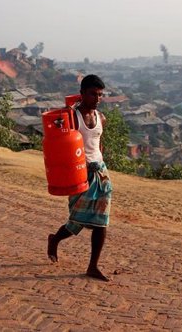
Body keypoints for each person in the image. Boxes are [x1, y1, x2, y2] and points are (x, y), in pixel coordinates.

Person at [47, 74, 113, 281]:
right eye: (93, 94)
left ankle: (92, 266)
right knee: (77, 221)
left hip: (100, 173)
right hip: (79, 173)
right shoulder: (71, 117)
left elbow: (98, 144)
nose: (97, 98)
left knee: (102, 222)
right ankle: (55, 239)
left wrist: (101, 163)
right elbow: (58, 143)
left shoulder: (101, 118)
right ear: (82, 93)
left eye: (100, 95)